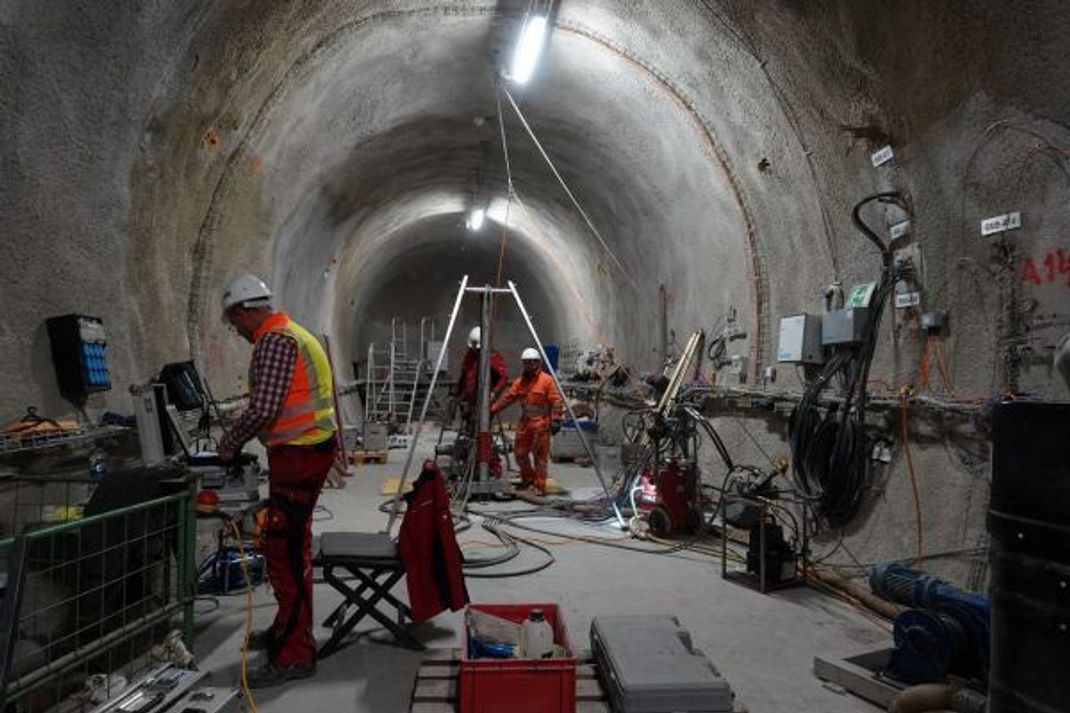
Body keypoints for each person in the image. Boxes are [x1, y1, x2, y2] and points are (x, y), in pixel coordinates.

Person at [218, 273, 337, 688]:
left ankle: (295, 654)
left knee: (284, 553)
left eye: (233, 322)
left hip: (299, 454)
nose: (235, 331)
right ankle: (286, 629)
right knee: (289, 545)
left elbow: (266, 408)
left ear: (244, 311)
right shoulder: (295, 333)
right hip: (308, 450)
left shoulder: (273, 341)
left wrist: (228, 443)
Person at [490, 348, 563, 494]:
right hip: (525, 422)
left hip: (541, 423)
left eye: (531, 362)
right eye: (525, 363)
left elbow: (556, 401)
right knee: (520, 453)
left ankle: (539, 485)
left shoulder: (546, 380)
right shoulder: (520, 382)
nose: (528, 365)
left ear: (538, 363)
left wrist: (556, 419)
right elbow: (508, 397)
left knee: (540, 457)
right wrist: (492, 410)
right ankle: (528, 478)